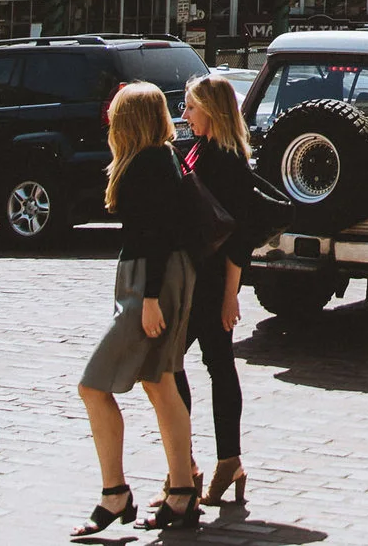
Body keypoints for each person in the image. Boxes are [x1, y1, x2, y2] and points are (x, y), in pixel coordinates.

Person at [75, 83, 201, 535]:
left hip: (152, 280)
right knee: (159, 381)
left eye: (116, 112)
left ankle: (116, 493)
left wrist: (148, 299)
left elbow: (156, 234)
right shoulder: (158, 157)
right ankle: (182, 493)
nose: (108, 118)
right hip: (157, 276)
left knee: (94, 386)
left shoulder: (149, 161)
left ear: (131, 118)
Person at [175, 73, 256, 506]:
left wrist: (230, 294)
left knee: (177, 366)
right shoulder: (201, 149)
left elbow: (237, 238)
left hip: (208, 282)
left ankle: (193, 466)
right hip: (193, 276)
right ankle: (214, 462)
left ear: (212, 109)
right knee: (213, 365)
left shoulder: (226, 159)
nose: (185, 116)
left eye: (191, 107)